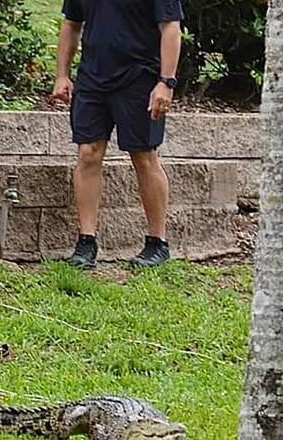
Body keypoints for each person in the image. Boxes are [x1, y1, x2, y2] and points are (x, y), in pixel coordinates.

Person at [53, 0, 183, 269]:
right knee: (88, 153)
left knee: (144, 157)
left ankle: (157, 243)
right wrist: (61, 75)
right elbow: (71, 23)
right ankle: (86, 243)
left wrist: (166, 82)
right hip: (92, 78)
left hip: (140, 77)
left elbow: (171, 26)